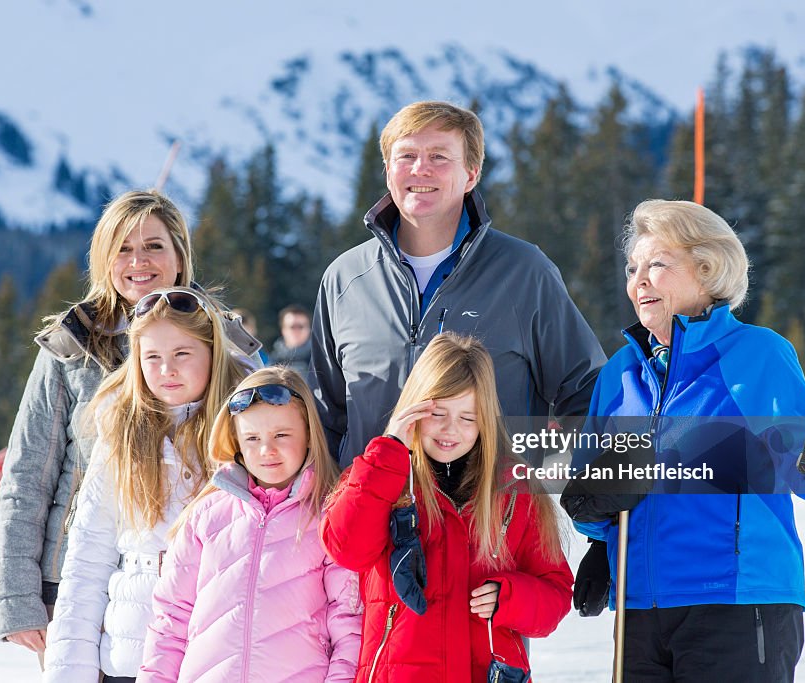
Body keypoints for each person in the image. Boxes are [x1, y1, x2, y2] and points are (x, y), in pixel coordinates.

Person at [560, 200, 805, 682]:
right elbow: (596, 485)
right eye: (633, 268)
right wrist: (598, 539)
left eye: (658, 265)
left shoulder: (756, 354)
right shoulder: (618, 375)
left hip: (736, 604)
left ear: (707, 270)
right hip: (641, 610)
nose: (639, 280)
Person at [309, 100, 605, 467]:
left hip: (488, 516)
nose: (421, 169)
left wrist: (593, 494)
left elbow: (588, 394)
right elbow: (325, 418)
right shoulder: (345, 278)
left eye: (439, 156)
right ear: (388, 171)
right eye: (407, 156)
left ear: (471, 174)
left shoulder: (524, 272)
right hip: (369, 515)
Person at [0, 190, 198, 655]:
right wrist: (19, 600)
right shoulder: (72, 348)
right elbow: (26, 477)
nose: (138, 261)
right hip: (73, 581)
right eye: (122, 248)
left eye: (154, 246)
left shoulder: (219, 341)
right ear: (104, 261)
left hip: (183, 580)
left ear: (180, 258)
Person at [321, 333, 573, 681]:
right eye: (437, 412)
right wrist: (389, 449)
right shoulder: (379, 475)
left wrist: (512, 598)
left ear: (485, 420)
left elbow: (555, 593)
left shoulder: (514, 489)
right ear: (413, 407)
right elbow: (346, 548)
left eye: (467, 418)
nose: (450, 429)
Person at [42, 287, 248, 682]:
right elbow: (88, 560)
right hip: (131, 653)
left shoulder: (248, 431)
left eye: (182, 354)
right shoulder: (120, 433)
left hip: (219, 653)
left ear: (213, 353)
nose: (166, 369)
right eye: (152, 357)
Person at [138, 367, 362, 683]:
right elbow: (170, 618)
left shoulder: (329, 516)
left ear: (309, 434)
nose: (266, 450)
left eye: (281, 435)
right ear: (237, 443)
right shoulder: (206, 516)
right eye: (252, 438)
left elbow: (350, 624)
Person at [270, 304, 313, 376]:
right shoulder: (272, 363)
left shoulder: (320, 359)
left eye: (300, 326)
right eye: (292, 327)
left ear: (309, 329)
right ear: (283, 330)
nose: (296, 331)